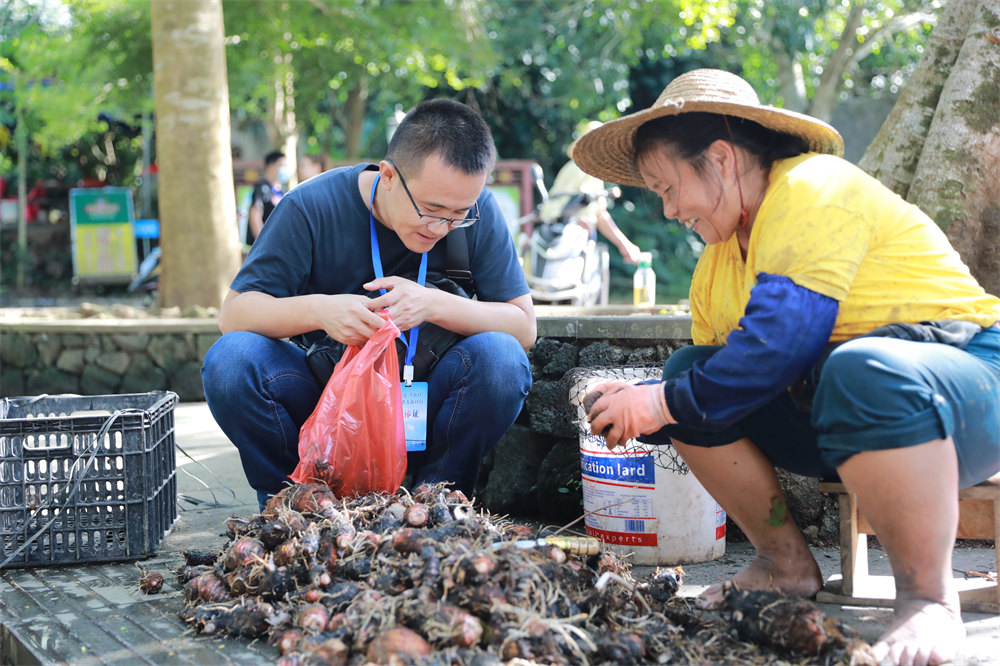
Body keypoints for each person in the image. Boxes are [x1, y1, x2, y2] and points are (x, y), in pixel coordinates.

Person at [572, 69, 1000, 666]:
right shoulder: (714, 271)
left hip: (969, 389)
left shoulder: (811, 187)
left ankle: (929, 598)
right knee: (687, 370)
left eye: (669, 188)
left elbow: (780, 345)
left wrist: (655, 402)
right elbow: (719, 388)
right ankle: (785, 564)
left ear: (720, 159)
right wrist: (652, 396)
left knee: (860, 369)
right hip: (842, 411)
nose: (669, 211)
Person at [202, 99, 535, 511]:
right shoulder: (311, 207)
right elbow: (234, 314)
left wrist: (432, 303)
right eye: (430, 210)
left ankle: (435, 507)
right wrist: (320, 310)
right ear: (389, 175)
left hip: (425, 399)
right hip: (327, 403)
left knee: (502, 359)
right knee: (232, 361)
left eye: (458, 215)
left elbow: (523, 326)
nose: (441, 228)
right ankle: (295, 509)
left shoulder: (477, 212)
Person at [539, 121, 641, 264]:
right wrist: (574, 220)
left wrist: (625, 245)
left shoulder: (590, 173)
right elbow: (554, 210)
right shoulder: (576, 170)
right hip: (563, 244)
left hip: (577, 241)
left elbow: (599, 214)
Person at [246, 150, 288, 246]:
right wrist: (263, 243)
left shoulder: (284, 190)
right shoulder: (261, 187)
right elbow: (255, 216)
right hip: (266, 245)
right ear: (270, 167)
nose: (285, 169)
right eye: (282, 166)